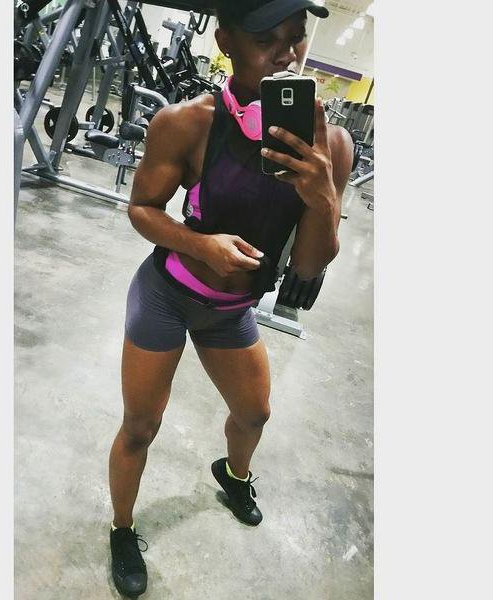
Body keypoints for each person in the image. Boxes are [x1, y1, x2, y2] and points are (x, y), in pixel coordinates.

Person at [107, 0, 354, 595]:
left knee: (254, 414)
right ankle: (121, 527)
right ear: (225, 42)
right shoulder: (186, 122)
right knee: (140, 425)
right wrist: (202, 245)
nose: (286, 54)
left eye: (295, 38)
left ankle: (233, 474)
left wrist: (323, 194)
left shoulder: (333, 145)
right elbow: (141, 209)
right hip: (168, 295)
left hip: (231, 312)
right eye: (266, 39)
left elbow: (309, 265)